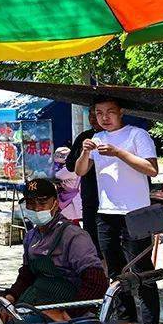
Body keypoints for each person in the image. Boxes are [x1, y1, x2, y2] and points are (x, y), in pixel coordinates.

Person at [2, 178, 108, 324]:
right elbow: (27, 274)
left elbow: (97, 281)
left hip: (65, 308)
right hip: (35, 303)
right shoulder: (31, 236)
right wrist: (11, 297)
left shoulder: (73, 236)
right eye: (31, 204)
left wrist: (67, 312)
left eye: (42, 203)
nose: (36, 209)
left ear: (55, 203)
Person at [74, 97, 160, 324]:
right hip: (105, 212)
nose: (105, 117)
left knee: (142, 271)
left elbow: (152, 169)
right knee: (115, 273)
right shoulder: (97, 138)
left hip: (135, 212)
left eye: (110, 112)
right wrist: (84, 153)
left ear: (121, 112)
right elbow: (81, 171)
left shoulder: (137, 135)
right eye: (99, 113)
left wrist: (119, 153)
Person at [66, 109, 102, 254]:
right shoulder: (85, 137)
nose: (93, 119)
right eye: (91, 116)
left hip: (116, 200)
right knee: (92, 239)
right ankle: (99, 271)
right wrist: (83, 152)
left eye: (96, 115)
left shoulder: (121, 137)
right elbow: (70, 166)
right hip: (90, 196)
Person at [52, 146, 83, 223]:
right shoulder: (69, 167)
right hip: (68, 198)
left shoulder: (69, 169)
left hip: (70, 200)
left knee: (68, 223)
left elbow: (55, 176)